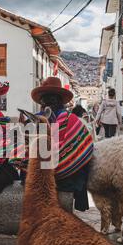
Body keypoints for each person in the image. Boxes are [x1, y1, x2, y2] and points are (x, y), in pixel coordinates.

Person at [30, 77, 94, 212]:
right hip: (64, 176)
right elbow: (85, 149)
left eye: (51, 98)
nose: (48, 102)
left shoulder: (68, 120)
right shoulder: (71, 119)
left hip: (52, 176)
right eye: (46, 99)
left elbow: (84, 147)